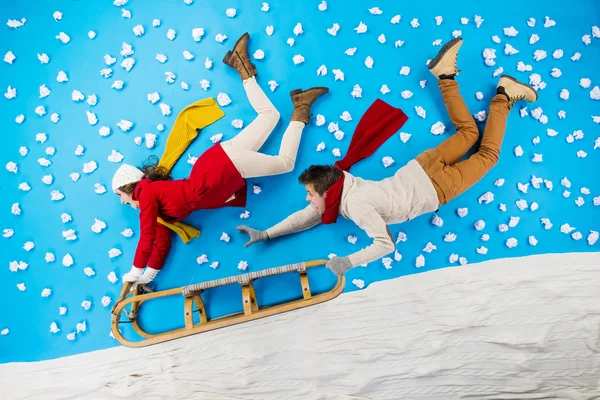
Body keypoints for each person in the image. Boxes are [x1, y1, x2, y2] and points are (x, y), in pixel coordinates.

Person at [237, 38, 538, 276]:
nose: (308, 200)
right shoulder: (345, 185)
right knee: (468, 134)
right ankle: (444, 74)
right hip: (420, 168)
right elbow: (305, 217)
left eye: (310, 194)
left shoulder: (355, 206)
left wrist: (348, 262)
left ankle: (504, 95)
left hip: (435, 188)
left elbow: (384, 245)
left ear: (327, 193)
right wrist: (265, 233)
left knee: (488, 154)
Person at [112, 32, 329, 285]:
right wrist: (148, 276)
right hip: (215, 162)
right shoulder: (156, 205)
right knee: (269, 117)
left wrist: (135, 271)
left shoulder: (146, 193)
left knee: (285, 163)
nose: (125, 203)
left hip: (217, 174)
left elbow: (146, 234)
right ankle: (244, 65)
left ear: (128, 186)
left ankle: (301, 109)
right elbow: (159, 242)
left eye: (122, 197)